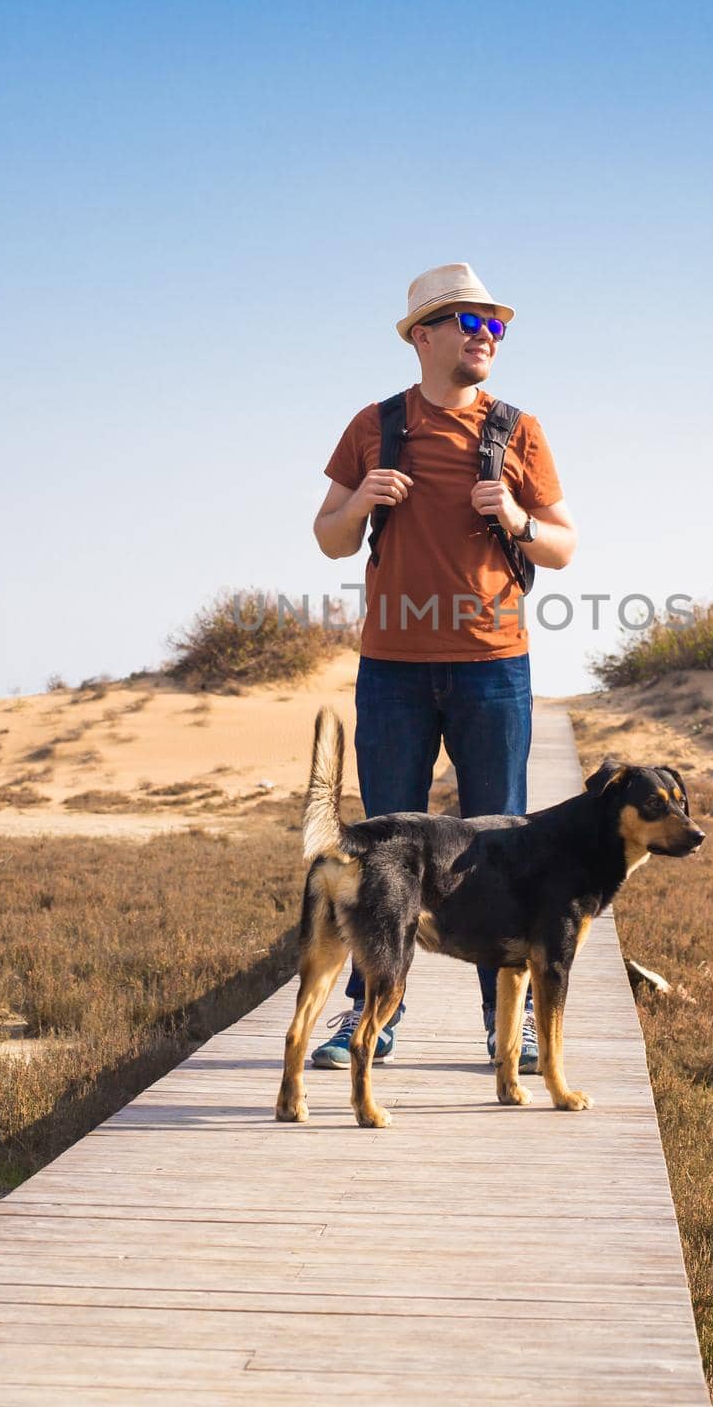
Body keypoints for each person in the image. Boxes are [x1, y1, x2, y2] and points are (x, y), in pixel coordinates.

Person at [309, 262, 577, 1072]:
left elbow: (562, 547)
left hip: (492, 668)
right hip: (391, 668)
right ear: (422, 335)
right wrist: (360, 502)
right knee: (384, 851)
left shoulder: (516, 428)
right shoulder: (374, 424)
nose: (485, 336)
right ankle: (372, 1018)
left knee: (501, 844)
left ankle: (513, 1027)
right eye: (469, 322)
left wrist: (519, 517)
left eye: (493, 325)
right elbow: (327, 536)